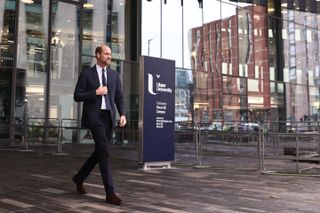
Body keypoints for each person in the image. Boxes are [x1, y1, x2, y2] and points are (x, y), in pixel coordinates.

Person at [72, 44, 126, 205]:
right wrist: (95, 92)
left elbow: (119, 96)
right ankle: (110, 193)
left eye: (110, 54)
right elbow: (77, 96)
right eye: (106, 53)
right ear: (97, 55)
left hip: (108, 117)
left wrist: (122, 114)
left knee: (100, 152)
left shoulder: (114, 75)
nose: (109, 56)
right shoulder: (87, 74)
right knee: (104, 151)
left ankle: (79, 177)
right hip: (94, 117)